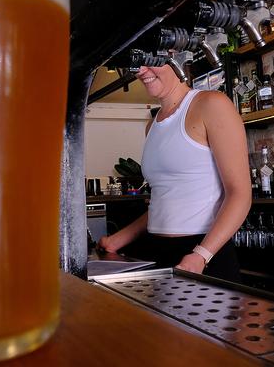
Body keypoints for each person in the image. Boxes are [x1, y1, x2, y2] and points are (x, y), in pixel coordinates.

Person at [98, 64, 252, 281]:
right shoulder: (152, 125)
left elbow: (240, 194)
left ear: (174, 57)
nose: (141, 72)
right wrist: (118, 239)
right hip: (159, 251)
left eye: (151, 62)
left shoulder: (212, 104)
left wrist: (201, 255)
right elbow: (165, 200)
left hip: (204, 253)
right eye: (138, 65)